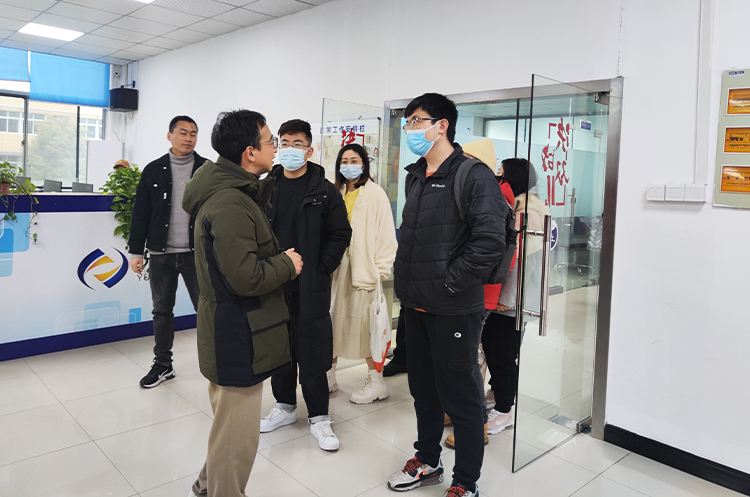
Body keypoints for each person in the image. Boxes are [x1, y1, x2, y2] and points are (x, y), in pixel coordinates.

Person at [388, 94, 508, 497]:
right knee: (423, 391)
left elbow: (490, 242)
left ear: (442, 126)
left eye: (416, 121)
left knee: (461, 397)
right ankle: (428, 461)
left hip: (453, 306)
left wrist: (449, 283)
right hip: (416, 304)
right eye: (407, 122)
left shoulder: (473, 175)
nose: (410, 129)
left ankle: (465, 482)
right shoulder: (416, 176)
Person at [181, 109, 302, 497]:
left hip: (232, 328)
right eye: (271, 141)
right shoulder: (230, 204)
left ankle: (205, 486)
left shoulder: (233, 193)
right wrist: (288, 264)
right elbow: (245, 277)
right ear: (250, 152)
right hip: (237, 334)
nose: (276, 148)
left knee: (227, 429)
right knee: (237, 441)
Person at [260, 119, 351, 451]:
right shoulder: (265, 188)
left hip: (310, 284)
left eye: (297, 144)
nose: (289, 149)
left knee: (313, 351)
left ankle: (319, 417)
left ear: (309, 151)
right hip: (274, 283)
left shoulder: (324, 190)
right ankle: (284, 406)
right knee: (280, 350)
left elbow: (340, 233)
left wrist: (322, 267)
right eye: (284, 143)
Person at [443, 138, 515, 450]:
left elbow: (488, 246)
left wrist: (455, 278)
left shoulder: (492, 193)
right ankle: (458, 411)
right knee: (462, 356)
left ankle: (476, 426)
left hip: (477, 290)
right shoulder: (480, 189)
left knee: (468, 359)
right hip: (470, 288)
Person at [128, 115, 206, 388]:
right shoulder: (153, 170)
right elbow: (140, 213)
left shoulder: (207, 169)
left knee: (206, 310)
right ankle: (163, 365)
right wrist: (136, 251)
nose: (188, 138)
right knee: (162, 312)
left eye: (193, 133)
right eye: (183, 132)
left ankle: (216, 361)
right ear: (169, 135)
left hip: (196, 254)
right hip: (161, 254)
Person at [482, 158, 548, 435]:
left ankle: (505, 409)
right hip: (504, 297)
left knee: (503, 354)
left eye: (502, 175)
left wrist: (506, 299)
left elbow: (524, 263)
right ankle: (498, 392)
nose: (498, 180)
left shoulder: (527, 212)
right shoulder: (517, 206)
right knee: (493, 348)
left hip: (512, 301)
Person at [328, 143, 398, 404]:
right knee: (332, 324)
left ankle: (376, 382)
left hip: (364, 272)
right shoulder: (335, 191)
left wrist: (380, 269)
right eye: (344, 161)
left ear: (364, 164)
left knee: (366, 328)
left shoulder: (375, 193)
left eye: (354, 160)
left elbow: (386, 234)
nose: (349, 165)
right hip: (336, 270)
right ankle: (329, 375)